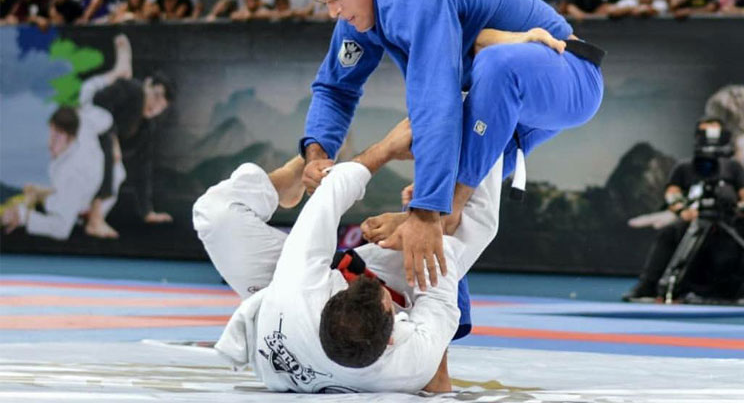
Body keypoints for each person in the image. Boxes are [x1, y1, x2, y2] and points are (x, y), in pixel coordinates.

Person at [297, 0, 604, 289]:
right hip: (499, 106)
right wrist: (317, 153)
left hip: (568, 73)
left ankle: (447, 209)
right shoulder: (361, 7)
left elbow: (435, 99)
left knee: (436, 204)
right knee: (443, 220)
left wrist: (430, 209)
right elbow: (335, 87)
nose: (334, 12)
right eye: (324, 2)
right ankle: (440, 314)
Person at [197, 120, 502, 393]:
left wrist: (385, 149)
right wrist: (417, 222)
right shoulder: (413, 361)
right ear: (394, 336)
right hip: (371, 300)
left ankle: (289, 180)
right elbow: (440, 261)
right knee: (474, 226)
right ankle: (489, 121)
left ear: (329, 300)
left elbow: (330, 194)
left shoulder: (300, 292)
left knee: (215, 214)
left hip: (278, 298)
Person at [623, 118, 744, 301]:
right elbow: (672, 193)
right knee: (669, 233)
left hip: (729, 224)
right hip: (694, 223)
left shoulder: (734, 168)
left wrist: (736, 207)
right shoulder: (684, 167)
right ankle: (647, 287)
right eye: (705, 135)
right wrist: (681, 210)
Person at [86, 36, 176, 239]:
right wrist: (113, 141)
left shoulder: (146, 126)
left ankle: (90, 213)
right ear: (148, 84)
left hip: (94, 141)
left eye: (161, 106)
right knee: (112, 154)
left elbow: (143, 168)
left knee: (118, 174)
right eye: (156, 96)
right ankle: (94, 221)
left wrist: (147, 212)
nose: (155, 106)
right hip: (84, 111)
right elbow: (98, 102)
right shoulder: (134, 91)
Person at [1, 99, 111, 240]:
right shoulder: (83, 125)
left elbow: (61, 229)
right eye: (51, 133)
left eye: (58, 136)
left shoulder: (72, 174)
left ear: (71, 138)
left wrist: (24, 216)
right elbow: (107, 119)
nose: (50, 142)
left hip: (88, 200)